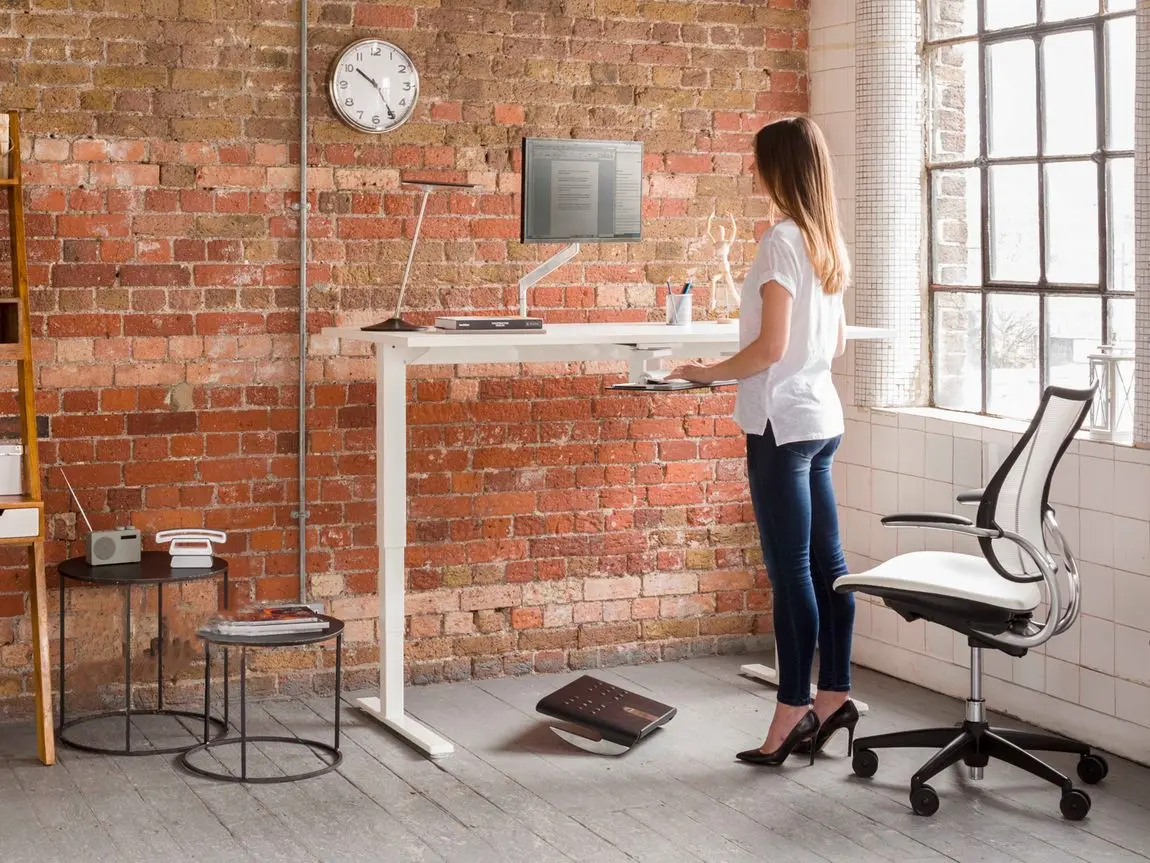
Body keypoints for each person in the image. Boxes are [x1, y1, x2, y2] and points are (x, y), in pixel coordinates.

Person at [672, 117, 859, 766]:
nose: (753, 172)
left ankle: (791, 710)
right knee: (830, 566)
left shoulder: (781, 241)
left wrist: (705, 371)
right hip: (821, 421)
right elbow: (830, 344)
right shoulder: (824, 238)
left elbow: (769, 349)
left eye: (758, 162)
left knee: (791, 575)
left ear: (776, 169)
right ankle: (834, 695)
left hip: (780, 427)